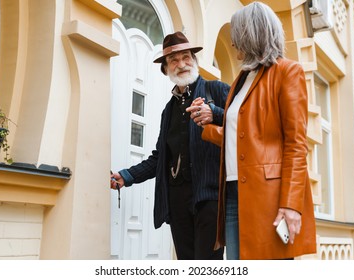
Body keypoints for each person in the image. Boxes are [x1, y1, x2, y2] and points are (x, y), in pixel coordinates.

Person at [187, 2, 316, 259]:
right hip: (233, 192)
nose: (233, 44)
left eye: (236, 36)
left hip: (268, 197)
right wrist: (208, 127)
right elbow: (247, 138)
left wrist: (291, 204)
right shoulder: (241, 80)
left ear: (250, 34)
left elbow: (295, 143)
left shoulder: (288, 72)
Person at [110, 31, 230, 260]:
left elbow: (245, 125)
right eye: (173, 60)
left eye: (186, 57)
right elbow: (160, 157)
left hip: (210, 196)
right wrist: (127, 176)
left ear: (194, 61)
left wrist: (214, 113)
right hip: (177, 199)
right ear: (166, 69)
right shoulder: (168, 110)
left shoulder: (217, 90)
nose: (181, 64)